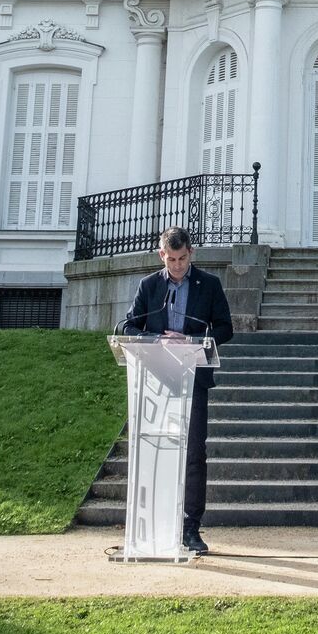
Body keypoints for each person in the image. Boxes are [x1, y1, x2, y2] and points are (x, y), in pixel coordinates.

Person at [121, 227, 235, 554]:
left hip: (193, 376)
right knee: (157, 450)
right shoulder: (149, 286)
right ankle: (157, 522)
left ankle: (190, 527)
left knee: (195, 454)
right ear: (162, 255)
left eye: (182, 258)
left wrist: (195, 341)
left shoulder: (209, 285)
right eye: (171, 259)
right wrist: (157, 340)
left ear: (191, 253)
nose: (177, 265)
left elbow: (225, 328)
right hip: (156, 380)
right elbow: (129, 326)